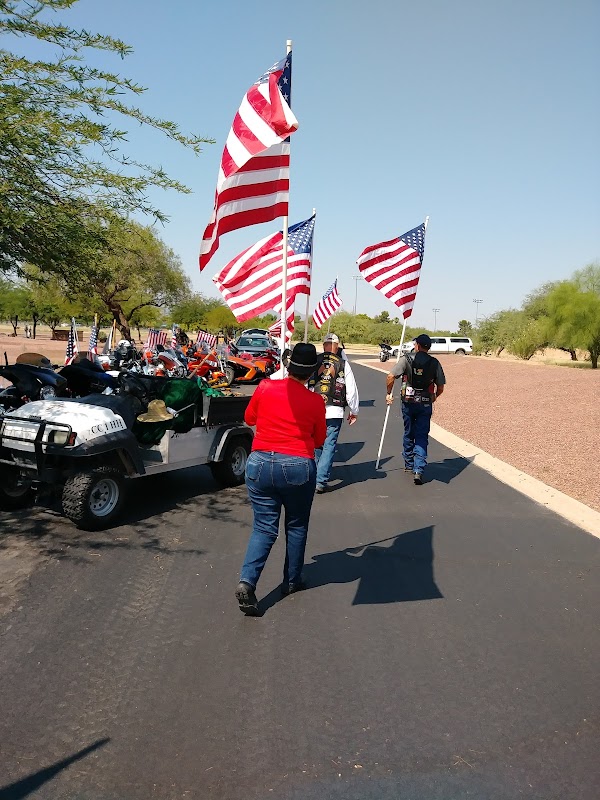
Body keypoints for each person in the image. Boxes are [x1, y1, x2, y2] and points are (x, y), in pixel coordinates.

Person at [235, 343, 327, 616]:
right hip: (298, 464)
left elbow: (249, 418)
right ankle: (291, 580)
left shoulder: (264, 387)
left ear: (288, 366)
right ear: (311, 372)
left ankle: (247, 581)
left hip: (260, 462)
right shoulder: (315, 401)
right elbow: (320, 440)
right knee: (296, 525)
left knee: (263, 527)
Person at [385, 333, 446, 485]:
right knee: (422, 434)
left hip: (408, 401)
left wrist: (388, 393)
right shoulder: (435, 363)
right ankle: (419, 469)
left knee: (408, 432)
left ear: (417, 345)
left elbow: (390, 376)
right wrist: (434, 396)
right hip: (425, 402)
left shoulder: (407, 359)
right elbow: (441, 386)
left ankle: (409, 463)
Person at [309, 333, 359, 494]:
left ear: (324, 346)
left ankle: (316, 476)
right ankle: (320, 480)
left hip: (315, 409)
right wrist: (354, 410)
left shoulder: (314, 362)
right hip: (335, 409)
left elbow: (306, 385)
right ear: (337, 347)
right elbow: (351, 389)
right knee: (329, 444)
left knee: (317, 443)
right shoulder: (343, 364)